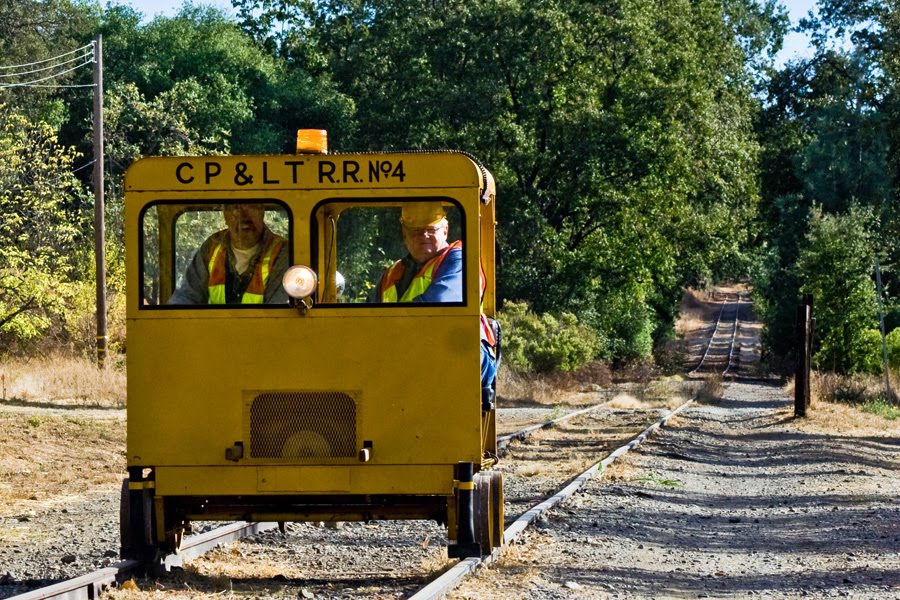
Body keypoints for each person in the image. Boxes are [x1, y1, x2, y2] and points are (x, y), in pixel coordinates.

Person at [378, 202, 499, 408]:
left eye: (430, 229)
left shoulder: (460, 260)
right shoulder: (392, 273)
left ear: (445, 230)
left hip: (462, 350)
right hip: (407, 353)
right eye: (415, 231)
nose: (422, 236)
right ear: (405, 235)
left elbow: (435, 308)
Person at [168, 203, 289, 305]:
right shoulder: (212, 247)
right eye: (234, 207)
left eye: (251, 205)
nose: (243, 215)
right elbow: (187, 296)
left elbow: (278, 312)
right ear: (225, 215)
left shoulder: (281, 252)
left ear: (262, 211)